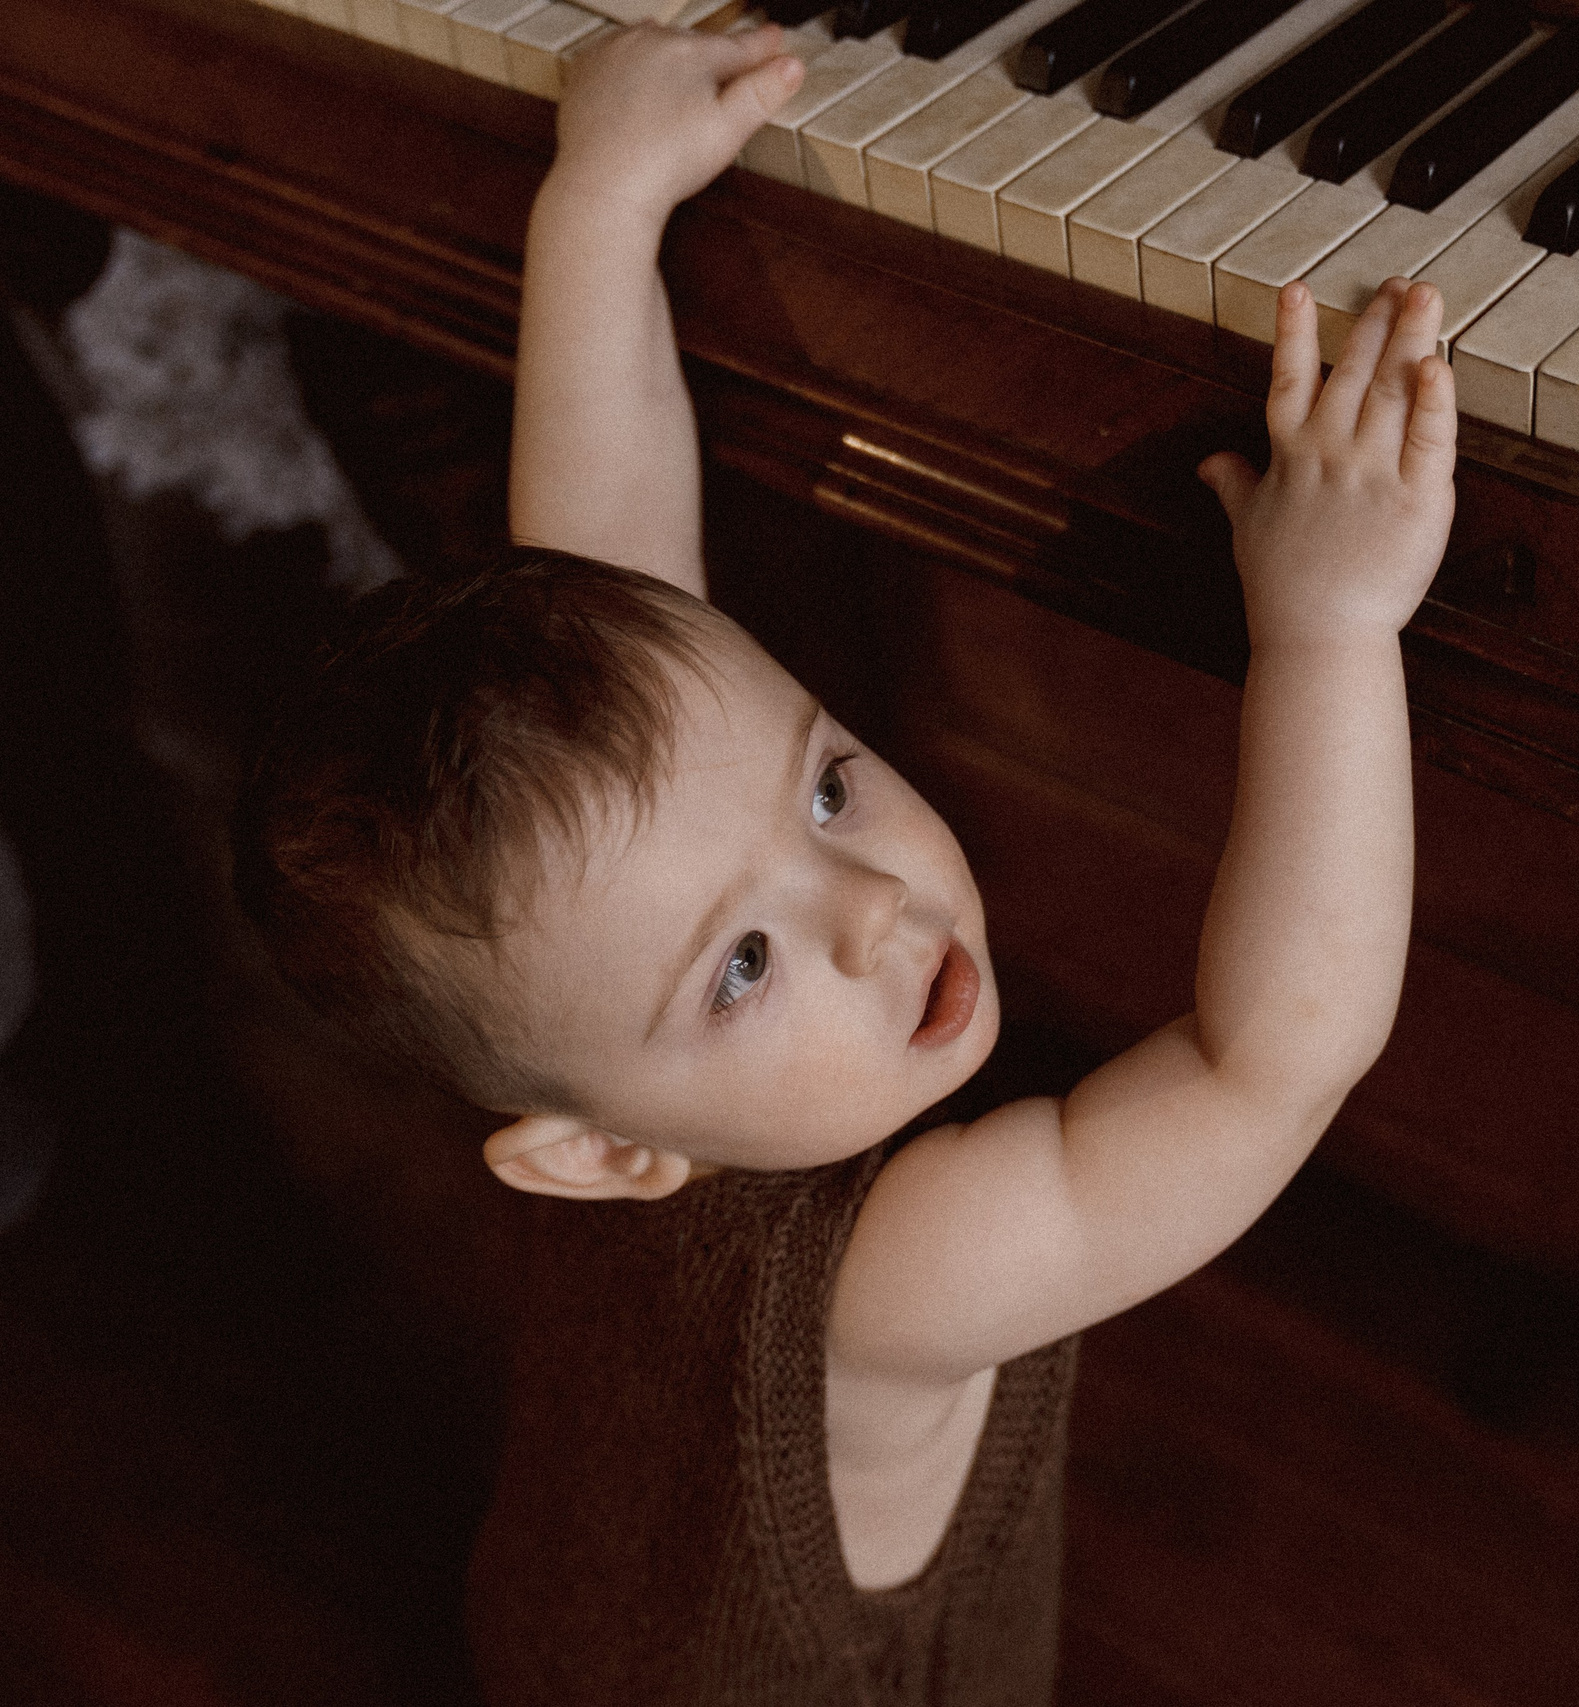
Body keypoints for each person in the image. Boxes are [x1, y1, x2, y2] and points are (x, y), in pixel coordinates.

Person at [231, 19, 1458, 1707]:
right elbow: (1274, 1060)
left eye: (823, 790)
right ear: (597, 1158)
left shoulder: (599, 1034)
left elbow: (607, 555)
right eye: (741, 966)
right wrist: (1330, 628)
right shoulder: (905, 1269)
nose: (873, 908)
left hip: (574, 1607)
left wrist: (602, 203)